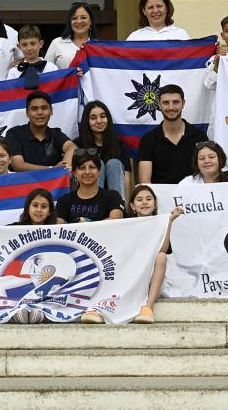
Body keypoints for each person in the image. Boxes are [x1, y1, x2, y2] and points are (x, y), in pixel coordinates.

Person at [127, 185, 184, 324]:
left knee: (161, 257)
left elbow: (163, 249)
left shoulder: (161, 223)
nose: (145, 202)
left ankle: (148, 307)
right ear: (132, 206)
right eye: (139, 199)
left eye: (148, 199)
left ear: (155, 204)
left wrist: (169, 221)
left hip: (152, 281)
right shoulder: (126, 225)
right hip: (131, 280)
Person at [137, 84, 208, 184]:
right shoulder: (148, 140)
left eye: (176, 102)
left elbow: (207, 174)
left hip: (194, 196)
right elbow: (145, 181)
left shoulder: (199, 136)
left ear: (183, 103)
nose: (171, 107)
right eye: (166, 103)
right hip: (160, 198)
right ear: (159, 105)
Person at [6, 91, 76, 171]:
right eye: (34, 109)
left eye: (44, 108)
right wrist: (52, 169)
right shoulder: (15, 133)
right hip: (23, 183)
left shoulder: (56, 134)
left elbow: (72, 147)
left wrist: (65, 166)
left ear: (51, 111)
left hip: (53, 183)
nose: (40, 112)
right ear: (27, 113)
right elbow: (18, 165)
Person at [75, 101, 131, 197]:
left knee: (114, 163)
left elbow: (126, 180)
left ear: (108, 118)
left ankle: (118, 207)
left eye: (103, 116)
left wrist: (127, 208)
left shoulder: (119, 145)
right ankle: (95, 207)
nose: (99, 121)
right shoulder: (77, 145)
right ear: (86, 121)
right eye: (93, 118)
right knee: (97, 163)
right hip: (87, 201)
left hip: (114, 201)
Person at [55, 150, 125, 223]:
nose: (87, 172)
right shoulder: (64, 200)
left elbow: (116, 222)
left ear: (99, 172)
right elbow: (58, 228)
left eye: (92, 167)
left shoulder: (113, 196)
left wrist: (86, 225)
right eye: (82, 168)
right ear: (74, 173)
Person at [45, 1, 96, 69]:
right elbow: (45, 72)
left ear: (91, 21)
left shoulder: (98, 46)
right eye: (74, 18)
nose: (79, 21)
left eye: (83, 17)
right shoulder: (57, 43)